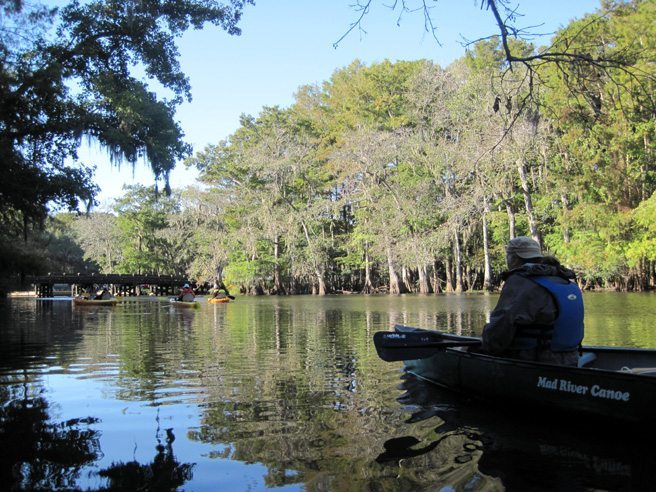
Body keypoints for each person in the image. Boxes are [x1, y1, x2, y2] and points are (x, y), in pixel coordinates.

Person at [481, 236, 584, 366]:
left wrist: (486, 344)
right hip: (571, 358)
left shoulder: (521, 281)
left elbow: (500, 328)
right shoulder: (563, 278)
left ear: (513, 258)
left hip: (536, 360)